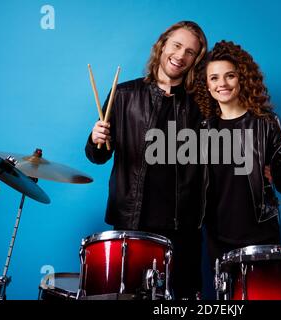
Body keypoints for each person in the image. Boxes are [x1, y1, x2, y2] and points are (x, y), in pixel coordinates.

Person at [85, 21, 208, 300]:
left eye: (190, 51)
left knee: (185, 299)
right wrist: (96, 138)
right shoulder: (124, 95)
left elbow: (221, 152)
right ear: (162, 45)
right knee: (128, 296)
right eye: (176, 45)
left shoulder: (201, 103)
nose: (181, 55)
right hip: (132, 220)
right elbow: (97, 156)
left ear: (196, 59)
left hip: (184, 226)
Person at [194, 41, 281, 273]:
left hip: (261, 235)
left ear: (243, 79)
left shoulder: (266, 123)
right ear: (206, 85)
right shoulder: (202, 129)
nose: (222, 84)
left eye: (230, 76)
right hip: (218, 236)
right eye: (214, 78)